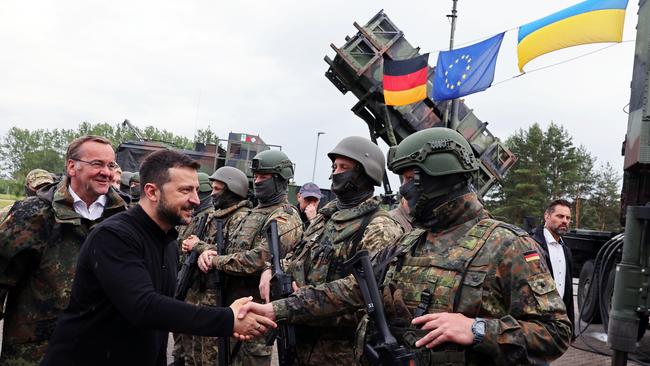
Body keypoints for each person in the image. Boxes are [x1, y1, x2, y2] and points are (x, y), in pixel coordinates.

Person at [240, 128, 572, 365]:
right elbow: (353, 290)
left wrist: (477, 329)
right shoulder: (410, 241)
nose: (404, 192)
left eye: (411, 179)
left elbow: (554, 333)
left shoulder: (507, 245)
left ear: (441, 176)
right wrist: (276, 310)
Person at [41, 149, 275, 366]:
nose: (196, 199)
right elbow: (144, 307)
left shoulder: (167, 242)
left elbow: (158, 326)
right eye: (185, 190)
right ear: (152, 191)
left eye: (195, 189)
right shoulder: (114, 236)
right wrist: (227, 319)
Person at [258, 136, 403, 365]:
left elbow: (361, 290)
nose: (336, 173)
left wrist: (295, 303)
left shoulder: (379, 226)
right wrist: (270, 270)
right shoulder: (325, 218)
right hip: (300, 341)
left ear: (365, 173)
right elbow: (296, 256)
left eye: (344, 167)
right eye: (334, 167)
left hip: (339, 353)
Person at [0, 135, 128, 365]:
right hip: (36, 354)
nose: (106, 172)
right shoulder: (32, 215)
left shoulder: (124, 219)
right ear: (72, 166)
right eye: (97, 164)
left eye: (111, 165)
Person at [197, 150, 303, 366]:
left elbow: (259, 259)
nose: (257, 181)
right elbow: (227, 249)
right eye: (255, 176)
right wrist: (205, 250)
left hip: (255, 313)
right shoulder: (253, 213)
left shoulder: (285, 215)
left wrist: (216, 261)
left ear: (280, 179)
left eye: (264, 177)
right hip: (231, 308)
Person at [175, 166, 253, 366]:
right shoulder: (214, 216)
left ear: (232, 190)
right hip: (202, 295)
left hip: (221, 299)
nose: (212, 194)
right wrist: (193, 247)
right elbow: (199, 244)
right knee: (195, 354)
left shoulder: (241, 218)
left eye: (217, 189)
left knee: (213, 357)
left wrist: (201, 248)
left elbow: (231, 254)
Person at [171, 171, 215, 365]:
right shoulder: (192, 216)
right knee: (179, 330)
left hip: (197, 285)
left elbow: (212, 250)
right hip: (184, 279)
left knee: (191, 339)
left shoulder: (210, 218)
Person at [532, 199, 575, 339]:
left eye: (568, 218)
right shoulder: (531, 244)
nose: (565, 221)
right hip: (534, 322)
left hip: (556, 323)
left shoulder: (566, 249)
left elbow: (567, 292)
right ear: (547, 216)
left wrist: (570, 328)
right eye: (560, 216)